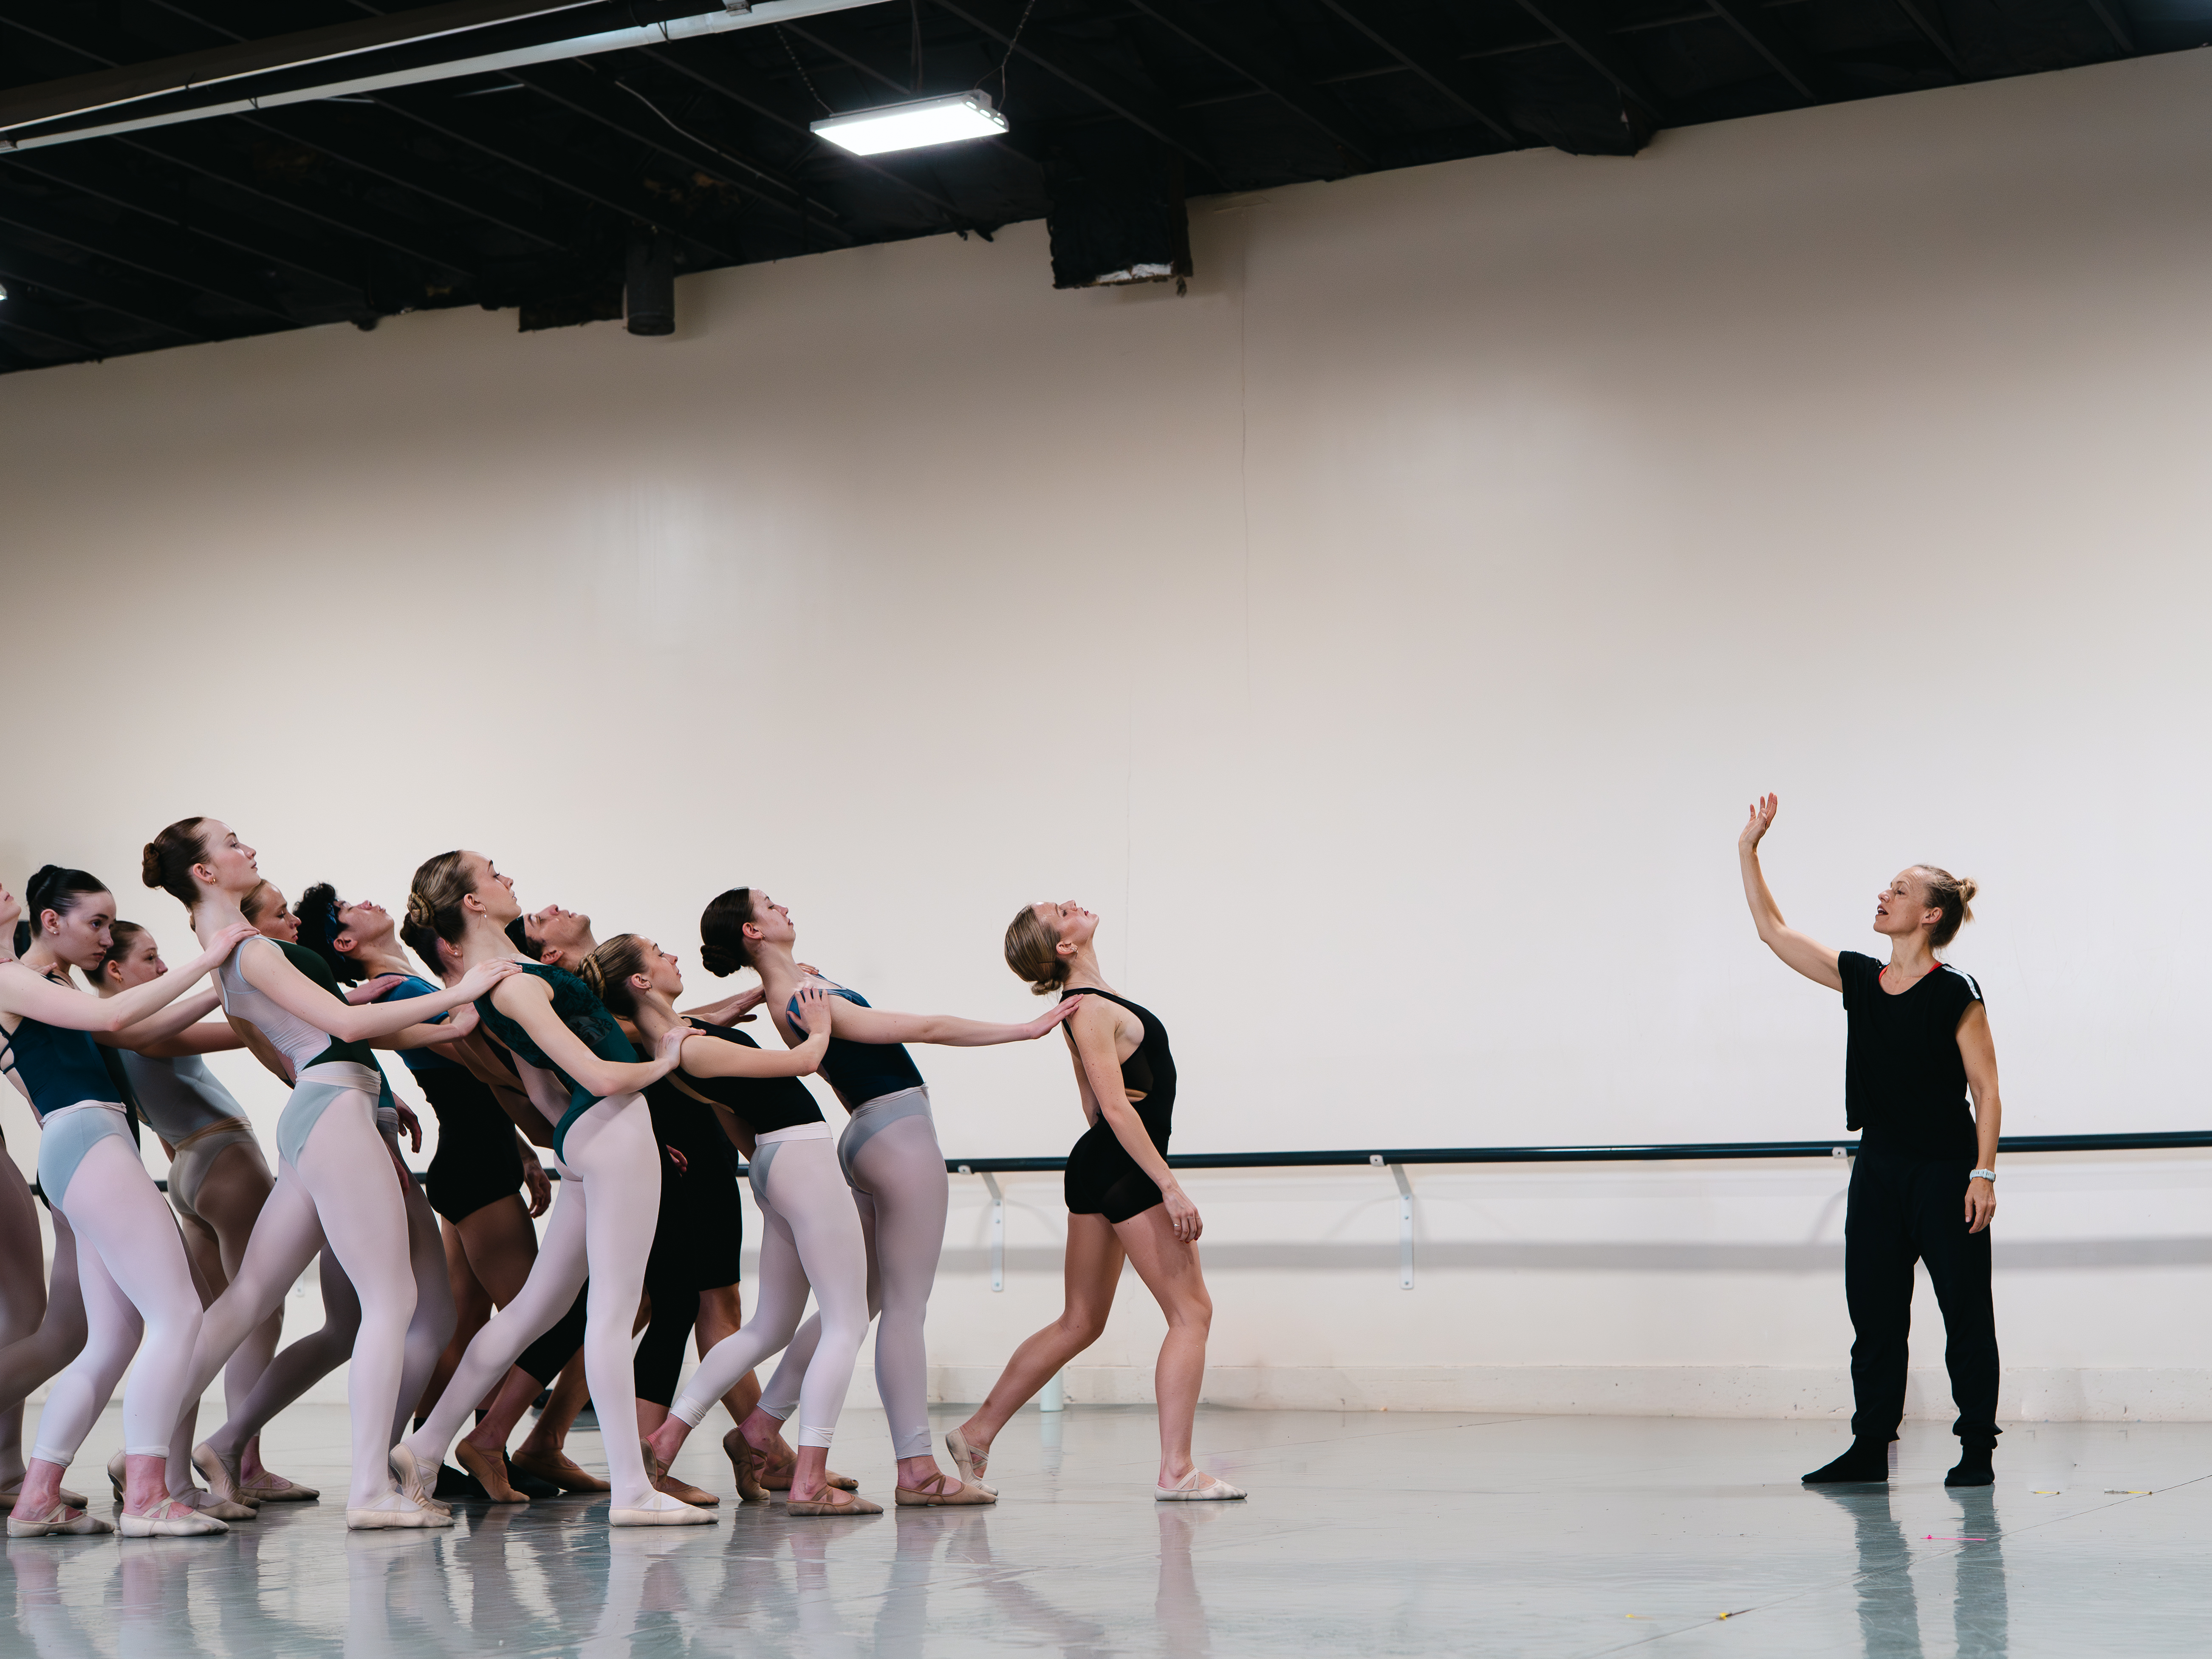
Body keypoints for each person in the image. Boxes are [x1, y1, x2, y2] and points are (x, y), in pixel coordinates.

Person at [145, 818, 514, 1529]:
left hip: (336, 1107)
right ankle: (371, 1488)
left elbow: (339, 1021)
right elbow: (338, 1030)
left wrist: (438, 1024)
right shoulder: (249, 951)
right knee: (389, 1298)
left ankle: (154, 1448)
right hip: (334, 1109)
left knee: (259, 1291)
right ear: (205, 873)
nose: (246, 846)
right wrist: (467, 985)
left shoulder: (239, 951)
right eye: (230, 842)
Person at [698, 886, 1079, 1507]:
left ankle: (760, 1430)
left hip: (873, 1136)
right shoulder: (800, 997)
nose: (783, 906)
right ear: (752, 932)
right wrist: (1024, 1029)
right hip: (897, 1137)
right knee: (906, 1308)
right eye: (769, 905)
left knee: (862, 1304)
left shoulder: (800, 985)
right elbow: (923, 1027)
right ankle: (918, 1470)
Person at [389, 850, 704, 1528]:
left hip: (585, 1137)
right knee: (611, 1311)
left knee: (536, 1308)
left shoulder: (500, 979)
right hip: (612, 1129)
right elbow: (597, 1073)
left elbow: (539, 1086)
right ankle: (632, 1489)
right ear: (472, 903)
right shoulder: (515, 985)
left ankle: (424, 1442)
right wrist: (667, 1057)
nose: (507, 878)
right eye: (493, 873)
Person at [1736, 792, 2002, 1488]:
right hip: (1880, 1167)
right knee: (1876, 1314)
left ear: (1930, 914)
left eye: (1900, 890)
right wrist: (1749, 850)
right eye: (1887, 887)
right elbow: (1775, 931)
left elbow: (1988, 1089)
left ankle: (1976, 1448)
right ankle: (1868, 1449)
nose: (1883, 896)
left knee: (1965, 1313)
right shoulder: (1860, 976)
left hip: (1946, 1170)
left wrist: (1984, 1174)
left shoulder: (1956, 991)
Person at [950, 900, 1244, 1502]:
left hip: (1097, 1164)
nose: (1074, 905)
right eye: (1061, 911)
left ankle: (977, 1431)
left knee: (1080, 1320)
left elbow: (1093, 1108)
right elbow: (1112, 1108)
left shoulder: (1080, 1007)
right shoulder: (1090, 1010)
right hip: (1124, 1168)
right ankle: (1177, 1471)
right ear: (1063, 946)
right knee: (1192, 1314)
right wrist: (1167, 1183)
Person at [0, 864, 257, 1537]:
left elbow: (136, 1031)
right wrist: (213, 954)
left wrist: (221, 985)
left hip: (89, 1143)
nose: (107, 938)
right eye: (97, 923)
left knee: (111, 1340)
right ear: (49, 921)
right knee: (179, 1314)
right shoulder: (11, 978)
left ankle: (36, 1499)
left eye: (112, 923)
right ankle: (146, 1496)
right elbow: (116, 1011)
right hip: (86, 1137)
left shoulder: (49, 984)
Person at [588, 933, 876, 1515]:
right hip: (798, 1155)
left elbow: (736, 1109)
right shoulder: (684, 1045)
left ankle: (665, 1443)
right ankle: (807, 1480)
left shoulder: (679, 1034)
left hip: (777, 1159)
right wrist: (819, 1019)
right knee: (847, 1320)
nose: (670, 952)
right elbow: (802, 1062)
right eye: (655, 951)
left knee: (766, 1326)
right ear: (639, 981)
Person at [294, 887, 554, 1436]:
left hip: (477, 1156)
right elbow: (479, 1061)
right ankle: (486, 1444)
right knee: (536, 1318)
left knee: (461, 1325)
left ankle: (419, 1446)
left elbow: (476, 1086)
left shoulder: (412, 987)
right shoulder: (398, 992)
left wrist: (524, 1149)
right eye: (348, 909)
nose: (365, 900)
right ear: (346, 940)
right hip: (475, 1165)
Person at [89, 920, 316, 1508]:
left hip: (191, 1167)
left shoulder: (111, 1030)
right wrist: (253, 982)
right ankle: (241, 1459)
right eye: (150, 957)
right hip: (225, 1160)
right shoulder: (135, 1025)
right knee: (255, 1314)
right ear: (116, 970)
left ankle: (159, 1456)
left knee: (202, 1325)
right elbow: (240, 1029)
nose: (162, 967)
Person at [0, 879, 89, 1513]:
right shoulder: (13, 981)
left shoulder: (28, 973)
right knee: (36, 1318)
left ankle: (7, 1470)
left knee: (26, 1315)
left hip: (7, 1148)